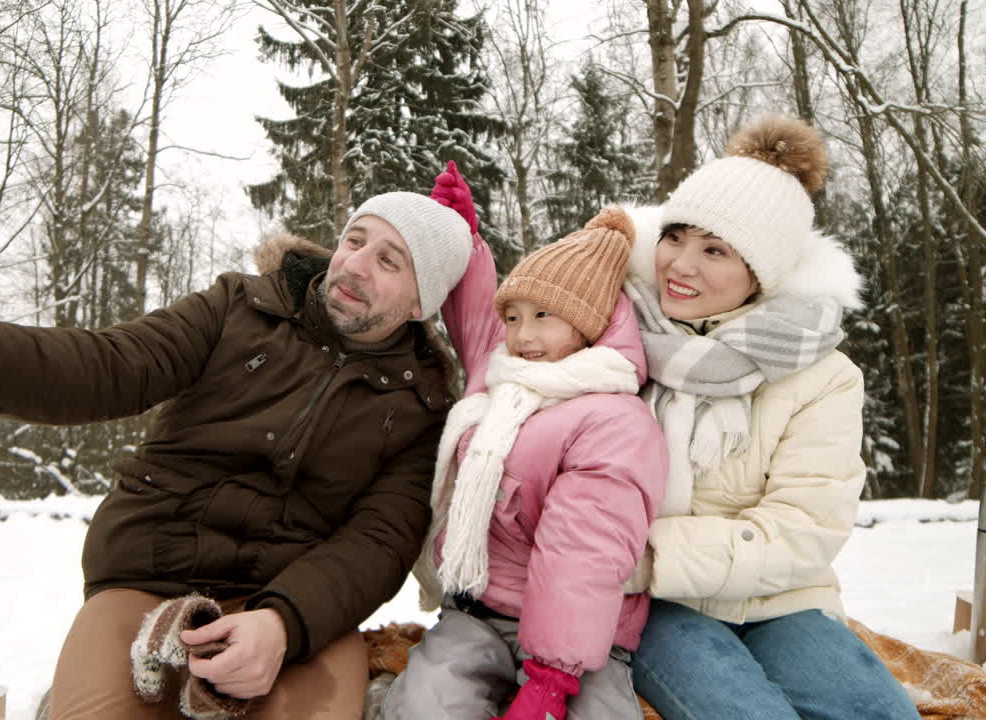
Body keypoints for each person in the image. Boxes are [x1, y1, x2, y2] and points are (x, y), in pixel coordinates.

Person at [0, 191, 475, 720]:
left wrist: (283, 626)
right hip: (148, 578)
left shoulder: (424, 408)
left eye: (389, 260)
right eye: (356, 240)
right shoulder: (237, 307)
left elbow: (378, 541)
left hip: (294, 608)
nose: (356, 264)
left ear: (422, 303)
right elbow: (110, 364)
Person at [621, 114, 921, 720]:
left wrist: (646, 554)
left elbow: (804, 526)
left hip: (777, 600)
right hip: (655, 605)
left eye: (715, 250)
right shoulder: (617, 339)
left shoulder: (822, 375)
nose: (680, 265)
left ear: (761, 275)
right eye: (675, 235)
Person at [380, 163, 668, 720]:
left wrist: (552, 676)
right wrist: (459, 231)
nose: (523, 335)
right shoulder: (506, 372)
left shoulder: (613, 416)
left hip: (587, 642)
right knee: (423, 705)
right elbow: (474, 312)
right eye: (512, 316)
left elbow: (585, 551)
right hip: (478, 609)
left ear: (589, 324)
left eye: (544, 316)